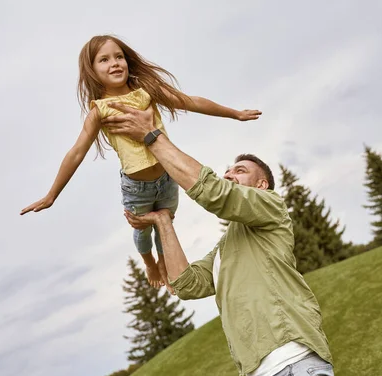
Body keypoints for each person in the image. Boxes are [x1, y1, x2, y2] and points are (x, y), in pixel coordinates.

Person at [102, 103, 341, 376]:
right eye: (227, 170)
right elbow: (186, 284)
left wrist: (151, 137)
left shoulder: (271, 207)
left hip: (292, 362)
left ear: (261, 185)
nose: (228, 174)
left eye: (239, 171)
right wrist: (163, 221)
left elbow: (215, 192)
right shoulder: (226, 248)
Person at [20, 34, 261, 291]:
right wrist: (51, 195)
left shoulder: (147, 93)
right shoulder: (99, 111)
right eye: (104, 60)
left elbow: (190, 101)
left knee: (165, 223)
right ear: (92, 70)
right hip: (137, 187)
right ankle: (149, 262)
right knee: (143, 230)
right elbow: (76, 152)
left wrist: (234, 114)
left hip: (168, 178)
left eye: (119, 57)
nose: (114, 63)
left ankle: (164, 262)